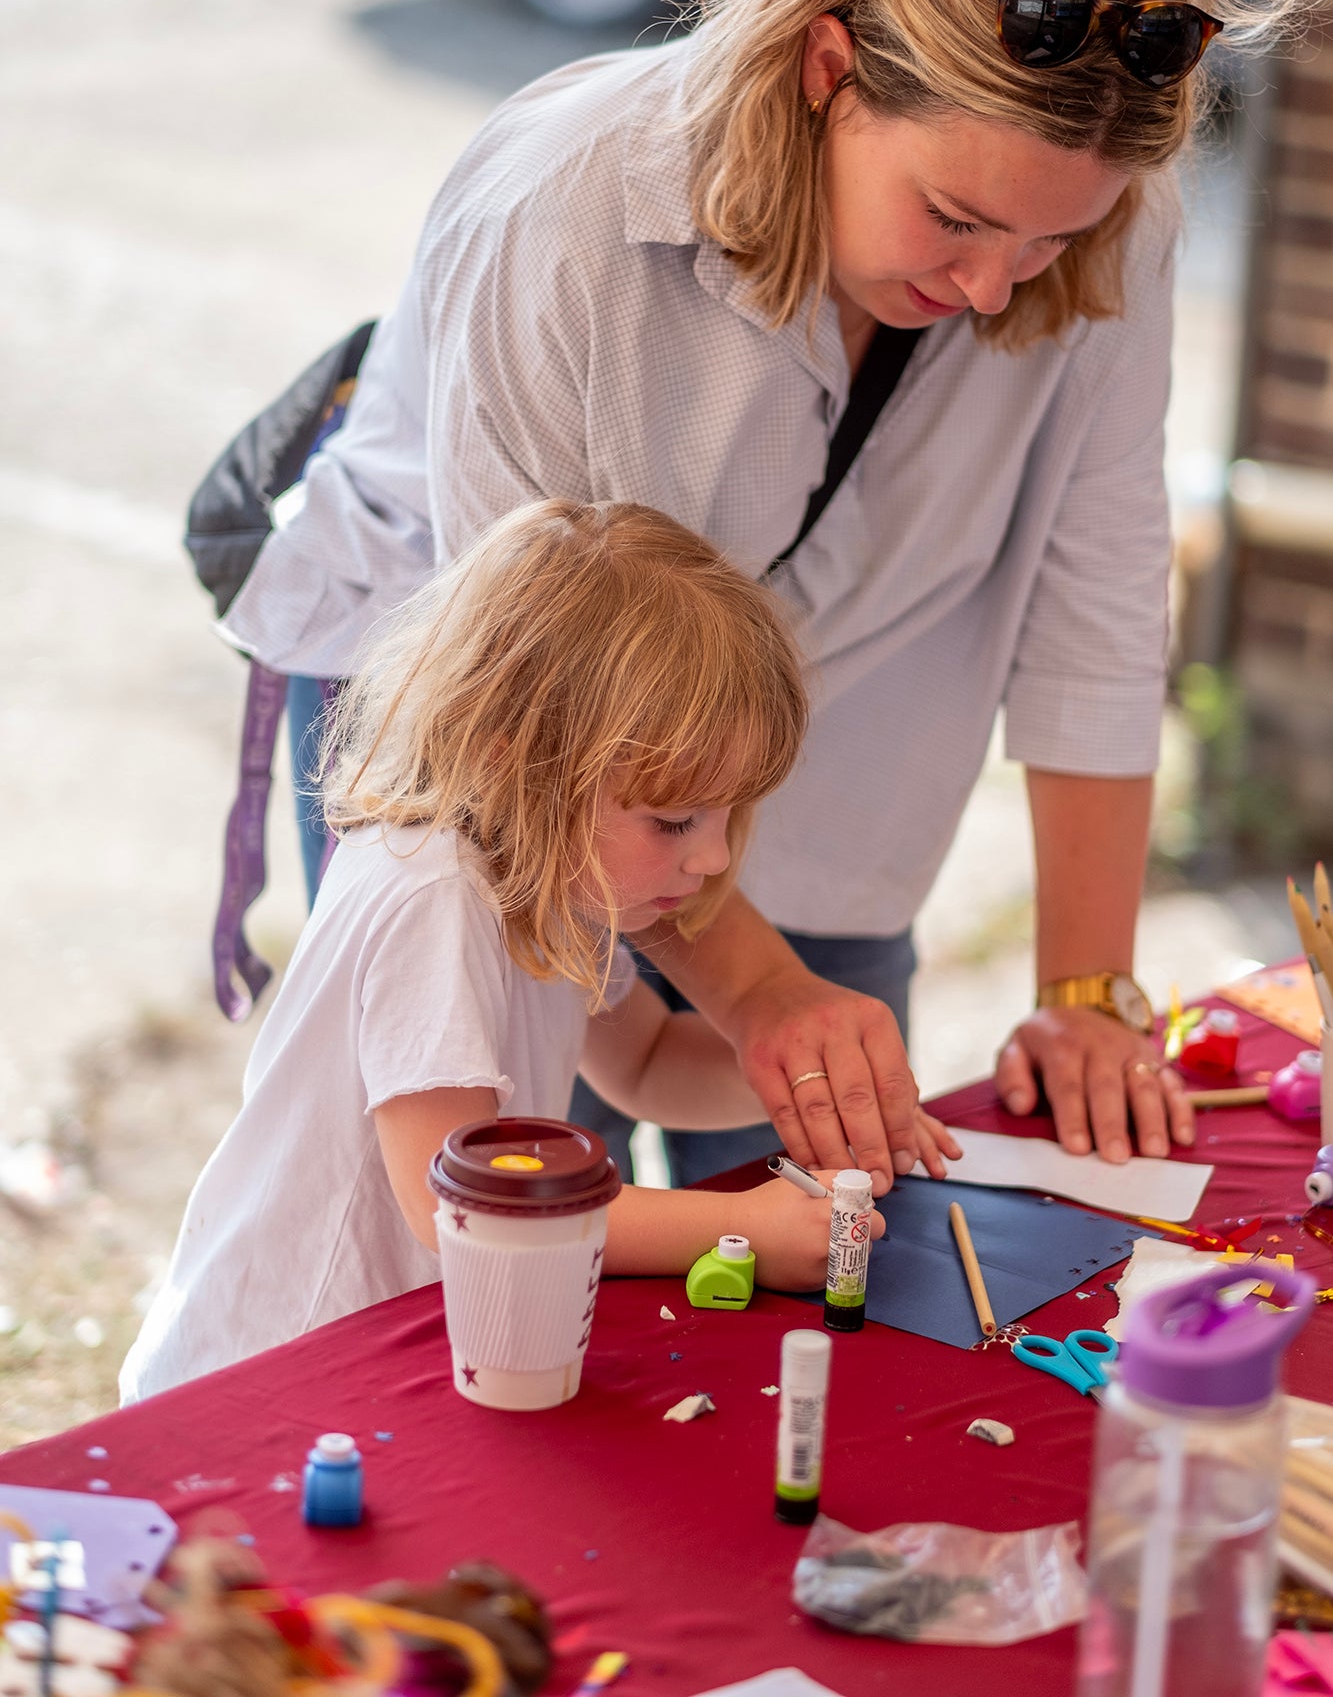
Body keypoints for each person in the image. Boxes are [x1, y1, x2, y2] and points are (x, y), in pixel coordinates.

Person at [219, 0, 1324, 1188]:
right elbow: (546, 696)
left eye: (1052, 241)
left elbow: (1095, 582)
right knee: (523, 1212)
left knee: (836, 1220)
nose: (994, 289)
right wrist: (754, 989)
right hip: (516, 741)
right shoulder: (557, 204)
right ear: (825, 67)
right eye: (955, 221)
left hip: (846, 745)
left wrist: (1087, 991)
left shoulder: (1100, 204)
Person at [123, 502, 958, 1400]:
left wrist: (816, 1088)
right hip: (269, 1371)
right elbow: (463, 1204)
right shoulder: (431, 893)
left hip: (382, 1352)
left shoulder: (547, 872)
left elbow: (639, 1062)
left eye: (725, 816)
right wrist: (742, 1229)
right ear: (515, 759)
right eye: (674, 819)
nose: (713, 858)